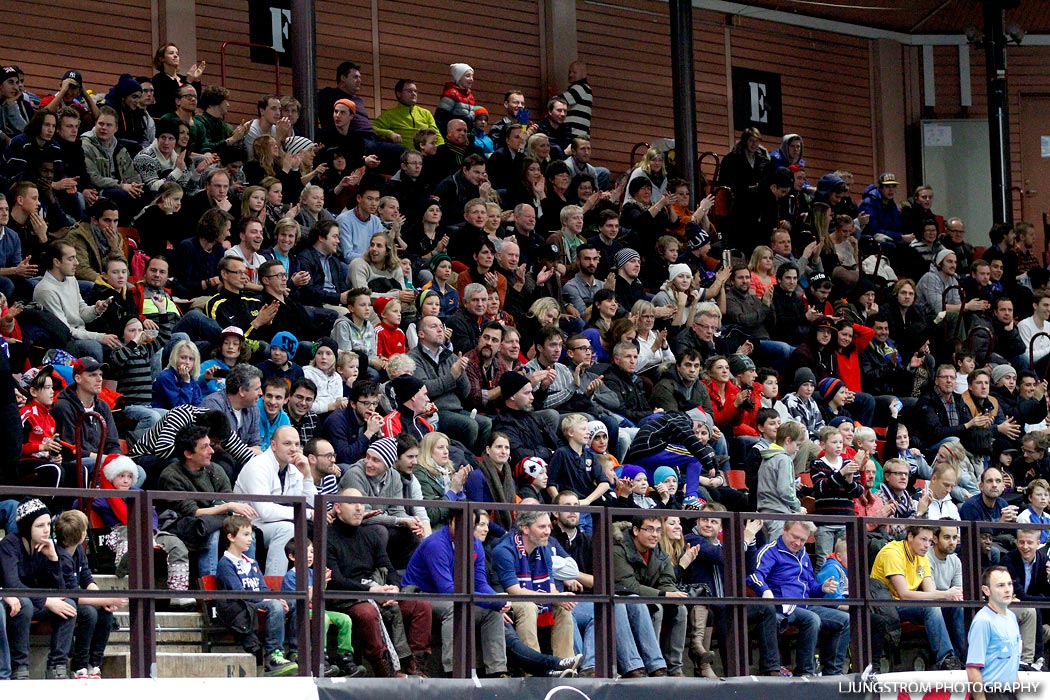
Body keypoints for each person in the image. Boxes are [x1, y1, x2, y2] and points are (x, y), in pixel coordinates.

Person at [327, 487, 432, 677]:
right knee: (368, 613)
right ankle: (386, 670)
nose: (358, 508)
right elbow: (336, 580)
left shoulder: (369, 535)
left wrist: (393, 589)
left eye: (361, 503)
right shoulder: (327, 536)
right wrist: (371, 591)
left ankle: (413, 664)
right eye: (351, 503)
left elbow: (388, 569)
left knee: (421, 605)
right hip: (346, 597)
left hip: (377, 589)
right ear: (338, 507)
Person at [401, 513, 510, 678]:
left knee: (492, 613)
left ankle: (497, 672)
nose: (464, 529)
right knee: (455, 608)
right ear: (450, 521)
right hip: (422, 595)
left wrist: (497, 601)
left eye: (470, 525)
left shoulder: (475, 544)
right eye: (460, 523)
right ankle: (453, 672)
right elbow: (447, 590)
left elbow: (480, 583)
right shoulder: (436, 544)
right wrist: (489, 601)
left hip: (452, 594)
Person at [748, 520, 850, 676]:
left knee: (846, 619)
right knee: (812, 619)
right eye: (794, 537)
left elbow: (811, 586)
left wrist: (822, 588)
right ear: (784, 530)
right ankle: (805, 672)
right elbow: (754, 575)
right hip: (782, 606)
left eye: (803, 540)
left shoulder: (803, 554)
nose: (798, 543)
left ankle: (833, 673)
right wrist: (765, 590)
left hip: (806, 604)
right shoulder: (770, 550)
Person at [1, 498, 78, 680]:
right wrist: (45, 601)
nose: (46, 529)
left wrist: (53, 559)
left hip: (33, 602)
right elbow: (13, 584)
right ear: (27, 527)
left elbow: (59, 591)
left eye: (48, 524)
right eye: (39, 525)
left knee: (68, 604)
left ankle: (57, 665)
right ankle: (20, 667)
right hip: (12, 603)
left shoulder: (45, 547)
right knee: (25, 603)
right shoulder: (9, 545)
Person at [870, 524, 964, 670]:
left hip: (910, 605)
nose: (927, 546)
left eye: (930, 542)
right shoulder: (892, 552)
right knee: (931, 609)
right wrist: (945, 594)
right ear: (910, 537)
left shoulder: (922, 556)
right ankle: (946, 660)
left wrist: (949, 597)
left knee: (956, 608)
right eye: (923, 540)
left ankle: (963, 659)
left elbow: (930, 592)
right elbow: (904, 594)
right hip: (889, 606)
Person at [214, 514, 298, 676]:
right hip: (241, 607)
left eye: (251, 534)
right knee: (275, 605)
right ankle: (273, 655)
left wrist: (271, 596)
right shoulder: (225, 563)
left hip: (257, 601)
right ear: (231, 537)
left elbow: (262, 587)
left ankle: (295, 651)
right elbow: (239, 593)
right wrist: (267, 599)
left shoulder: (252, 562)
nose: (250, 539)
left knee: (294, 602)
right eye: (245, 534)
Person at [491, 509, 576, 661]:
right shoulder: (504, 551)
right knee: (529, 606)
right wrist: (554, 597)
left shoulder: (545, 551)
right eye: (542, 527)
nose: (548, 532)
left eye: (549, 526)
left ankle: (565, 663)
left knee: (563, 608)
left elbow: (550, 587)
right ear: (525, 528)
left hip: (531, 598)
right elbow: (515, 591)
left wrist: (560, 597)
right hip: (507, 601)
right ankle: (534, 667)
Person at [55, 509, 128, 680]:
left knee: (105, 612)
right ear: (81, 535)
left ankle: (94, 664)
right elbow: (74, 594)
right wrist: (105, 599)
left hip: (77, 597)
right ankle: (79, 665)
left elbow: (87, 578)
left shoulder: (79, 551)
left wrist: (103, 601)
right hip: (66, 601)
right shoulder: (61, 558)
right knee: (89, 613)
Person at [233, 426, 317, 576]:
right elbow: (264, 512)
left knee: (315, 526)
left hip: (271, 523)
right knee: (287, 529)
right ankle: (274, 587)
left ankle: (309, 585)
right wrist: (308, 513)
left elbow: (312, 503)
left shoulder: (294, 468)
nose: (294, 449)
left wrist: (307, 475)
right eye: (287, 444)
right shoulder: (258, 466)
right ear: (273, 445)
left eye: (297, 444)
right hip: (249, 524)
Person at [967, 566, 1022, 700]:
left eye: (1009, 584)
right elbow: (973, 668)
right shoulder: (983, 621)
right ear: (986, 590)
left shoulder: (1011, 617)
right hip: (991, 693)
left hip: (1009, 692)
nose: (1007, 589)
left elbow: (1012, 663)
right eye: (1000, 585)